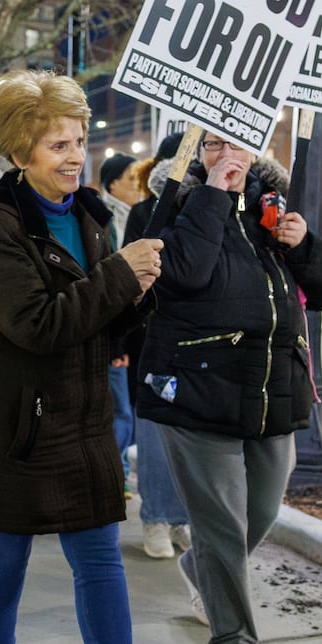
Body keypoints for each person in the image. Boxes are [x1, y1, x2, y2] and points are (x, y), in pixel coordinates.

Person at [0, 68, 202, 644]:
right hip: (12, 425)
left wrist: (140, 295)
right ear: (20, 151)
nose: (73, 156)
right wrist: (120, 276)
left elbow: (101, 324)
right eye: (57, 143)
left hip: (81, 414)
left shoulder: (92, 214)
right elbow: (36, 323)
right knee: (6, 556)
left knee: (99, 559)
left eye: (79, 140)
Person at [137, 135, 322, 644]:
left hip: (272, 391)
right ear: (192, 151)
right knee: (222, 525)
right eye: (212, 143)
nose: (228, 151)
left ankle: (201, 572)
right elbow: (180, 275)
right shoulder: (164, 204)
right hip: (198, 390)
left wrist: (303, 246)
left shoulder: (271, 205)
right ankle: (233, 643)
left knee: (262, 511)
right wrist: (210, 194)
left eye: (239, 141)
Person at [123, 134, 192, 560]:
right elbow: (131, 280)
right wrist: (124, 343)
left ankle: (182, 517)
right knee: (153, 434)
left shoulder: (210, 206)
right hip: (154, 339)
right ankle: (156, 519)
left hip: (199, 344)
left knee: (189, 437)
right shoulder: (144, 211)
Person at [99, 152, 141, 497]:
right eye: (130, 179)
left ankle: (119, 473)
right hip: (115, 334)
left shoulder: (134, 215)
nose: (136, 185)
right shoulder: (106, 220)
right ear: (112, 184)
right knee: (121, 411)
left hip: (127, 333)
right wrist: (117, 343)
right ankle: (113, 476)